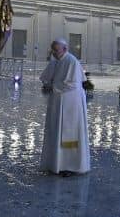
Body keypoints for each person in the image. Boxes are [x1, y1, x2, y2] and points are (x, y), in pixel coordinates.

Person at [39, 38, 90, 176]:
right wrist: (47, 83)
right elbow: (45, 76)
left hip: (71, 104)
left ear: (65, 49)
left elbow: (72, 84)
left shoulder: (71, 61)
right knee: (56, 131)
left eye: (56, 50)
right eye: (53, 50)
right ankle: (56, 163)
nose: (53, 52)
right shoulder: (56, 61)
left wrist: (52, 87)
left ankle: (70, 165)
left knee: (69, 134)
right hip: (58, 102)